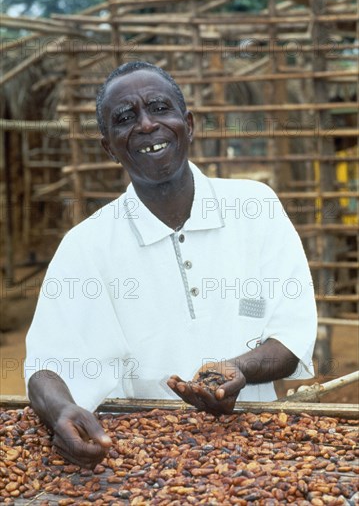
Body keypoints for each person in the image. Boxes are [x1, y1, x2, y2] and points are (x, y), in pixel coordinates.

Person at [25, 61, 317, 468]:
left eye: (160, 108)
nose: (146, 125)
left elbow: (291, 335)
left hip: (255, 450)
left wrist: (238, 369)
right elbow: (45, 367)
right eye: (125, 118)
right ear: (109, 146)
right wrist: (59, 412)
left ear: (189, 124)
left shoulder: (257, 208)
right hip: (137, 461)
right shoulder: (85, 246)